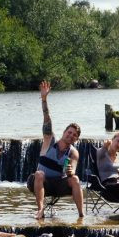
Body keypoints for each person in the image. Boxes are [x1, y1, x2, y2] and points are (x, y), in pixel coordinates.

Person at [26, 81, 84, 220]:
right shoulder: (49, 139)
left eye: (74, 135)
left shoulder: (73, 152)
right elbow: (46, 118)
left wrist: (70, 171)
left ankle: (81, 215)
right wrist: (44, 99)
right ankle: (40, 210)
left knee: (75, 179)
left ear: (76, 139)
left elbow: (72, 171)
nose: (71, 135)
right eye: (69, 132)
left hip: (59, 184)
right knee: (39, 173)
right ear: (64, 132)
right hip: (40, 181)